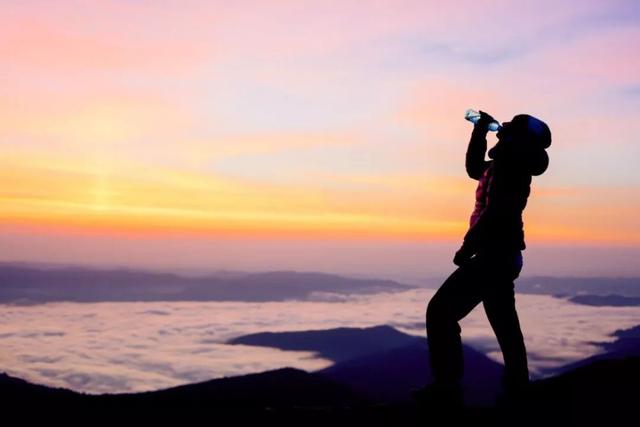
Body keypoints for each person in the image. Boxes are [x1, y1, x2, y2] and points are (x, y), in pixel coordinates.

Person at [414, 111, 551, 406]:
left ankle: (447, 388)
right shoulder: (504, 166)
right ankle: (518, 388)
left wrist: (467, 246)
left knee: (440, 312)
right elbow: (474, 168)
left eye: (510, 128)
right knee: (504, 323)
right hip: (504, 255)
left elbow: (496, 212)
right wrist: (479, 131)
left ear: (518, 139)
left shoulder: (511, 169)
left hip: (494, 254)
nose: (503, 129)